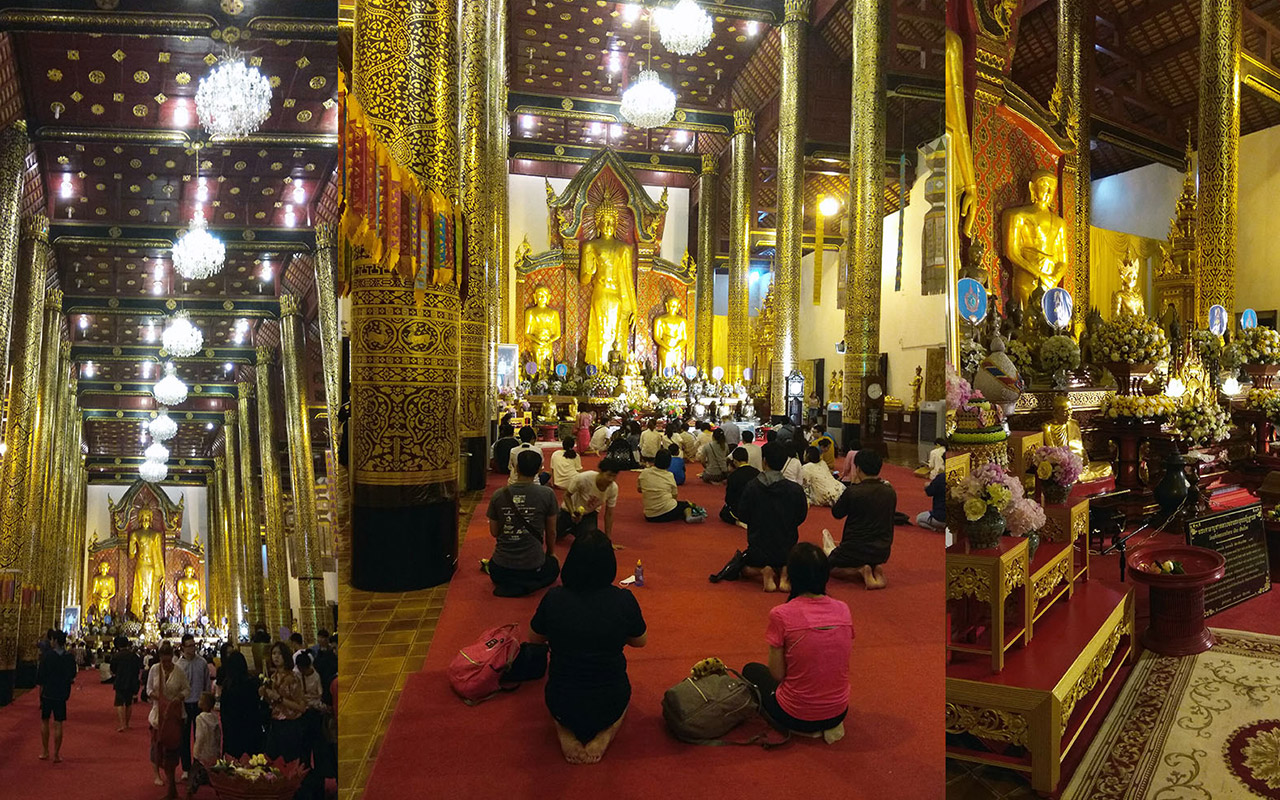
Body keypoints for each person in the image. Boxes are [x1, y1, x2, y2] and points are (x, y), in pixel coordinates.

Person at [528, 530, 647, 764]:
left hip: (561, 699)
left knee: (560, 696)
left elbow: (534, 639)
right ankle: (605, 734)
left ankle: (564, 730)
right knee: (622, 701)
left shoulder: (554, 598)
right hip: (610, 700)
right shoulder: (624, 600)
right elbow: (639, 641)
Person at [742, 543, 851, 741]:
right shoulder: (843, 609)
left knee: (751, 671)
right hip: (839, 711)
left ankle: (799, 724)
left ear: (791, 576)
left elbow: (777, 674)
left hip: (795, 715)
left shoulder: (781, 614)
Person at [711, 442, 808, 592]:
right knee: (791, 560)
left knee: (743, 569)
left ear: (764, 462)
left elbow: (743, 514)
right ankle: (785, 573)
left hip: (759, 548)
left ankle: (763, 571)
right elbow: (801, 516)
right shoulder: (795, 490)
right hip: (787, 548)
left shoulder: (753, 486)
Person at [484, 449, 561, 597]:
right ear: (539, 470)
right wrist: (551, 553)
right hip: (533, 566)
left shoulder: (499, 495)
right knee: (553, 567)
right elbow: (551, 531)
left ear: (516, 468)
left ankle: (514, 585)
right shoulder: (547, 494)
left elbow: (494, 532)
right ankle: (527, 585)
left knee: (496, 568)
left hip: (500, 568)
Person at [825, 449, 897, 589]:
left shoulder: (854, 492)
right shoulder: (890, 492)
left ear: (857, 468)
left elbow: (837, 513)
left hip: (853, 549)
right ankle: (872, 567)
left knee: (828, 567)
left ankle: (860, 570)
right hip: (881, 550)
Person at [148, 641, 190, 798]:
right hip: (158, 715)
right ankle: (164, 780)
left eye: (168, 660)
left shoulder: (178, 671)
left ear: (172, 657)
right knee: (159, 750)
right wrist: (160, 699)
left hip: (175, 716)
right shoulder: (154, 669)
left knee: (171, 751)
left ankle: (171, 786)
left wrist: (178, 698)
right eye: (163, 661)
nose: (165, 664)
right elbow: (148, 690)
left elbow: (187, 689)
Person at [261, 642, 308, 766]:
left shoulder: (293, 678)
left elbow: (301, 707)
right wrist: (265, 695)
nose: (276, 657)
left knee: (290, 762)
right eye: (274, 653)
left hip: (290, 724)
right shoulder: (273, 677)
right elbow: (273, 703)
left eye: (279, 654)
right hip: (276, 723)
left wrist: (279, 698)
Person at [36, 629, 76, 763]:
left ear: (56, 641)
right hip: (61, 693)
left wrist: (40, 695)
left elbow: (41, 676)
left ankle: (45, 750)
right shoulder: (69, 657)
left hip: (48, 693)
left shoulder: (47, 656)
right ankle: (57, 754)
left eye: (52, 640)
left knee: (45, 720)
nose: (51, 642)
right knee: (58, 723)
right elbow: (72, 674)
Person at [558, 459, 624, 540]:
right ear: (600, 472)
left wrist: (608, 539)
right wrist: (572, 512)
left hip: (589, 514)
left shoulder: (613, 488)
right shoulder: (583, 478)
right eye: (609, 475)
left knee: (589, 539)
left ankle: (576, 529)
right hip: (568, 511)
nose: (611, 479)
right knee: (555, 534)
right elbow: (566, 496)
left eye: (614, 476)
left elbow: (609, 514)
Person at [637, 449, 707, 523]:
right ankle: (688, 517)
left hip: (649, 516)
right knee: (685, 505)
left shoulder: (644, 473)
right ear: (669, 463)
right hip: (667, 511)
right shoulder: (669, 475)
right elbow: (674, 495)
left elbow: (639, 489)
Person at [216, 651, 263, 759]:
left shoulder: (228, 686)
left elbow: (224, 712)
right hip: (251, 729)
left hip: (233, 731)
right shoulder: (253, 683)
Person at [178, 633, 211, 778]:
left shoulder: (202, 663)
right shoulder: (178, 665)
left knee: (201, 737)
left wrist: (207, 702)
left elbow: (207, 684)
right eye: (189, 646)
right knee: (184, 738)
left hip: (199, 703)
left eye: (194, 645)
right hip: (185, 704)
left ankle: (199, 766)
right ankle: (186, 767)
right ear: (183, 648)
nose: (192, 649)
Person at [189, 691, 220, 797]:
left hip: (202, 750)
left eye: (201, 700)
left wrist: (196, 751)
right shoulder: (215, 718)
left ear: (205, 704)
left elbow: (200, 736)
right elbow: (218, 736)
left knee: (195, 772)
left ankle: (190, 791)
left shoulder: (200, 718)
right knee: (213, 772)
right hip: (213, 750)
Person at [719, 447, 760, 526]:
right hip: (755, 509)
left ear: (734, 461)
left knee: (724, 513)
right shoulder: (757, 473)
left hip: (740, 510)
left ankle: (737, 521)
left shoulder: (733, 476)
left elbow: (729, 499)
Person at [110, 635, 142, 732]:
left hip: (120, 680)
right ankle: (127, 724)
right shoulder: (134, 656)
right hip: (131, 681)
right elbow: (138, 668)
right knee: (128, 703)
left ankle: (122, 724)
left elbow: (113, 669)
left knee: (119, 703)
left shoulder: (116, 656)